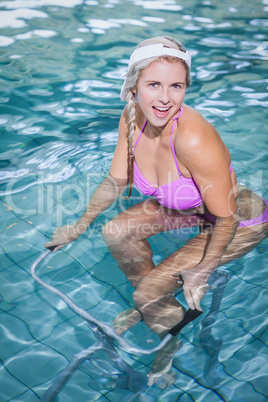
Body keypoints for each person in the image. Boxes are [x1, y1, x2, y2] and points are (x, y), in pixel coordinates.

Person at [45, 36, 268, 387]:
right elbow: (116, 179)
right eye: (153, 85)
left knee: (148, 291)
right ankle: (156, 307)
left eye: (176, 86)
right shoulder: (132, 116)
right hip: (191, 209)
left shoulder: (192, 138)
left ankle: (167, 341)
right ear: (134, 86)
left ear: (186, 88)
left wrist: (202, 270)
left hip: (237, 220)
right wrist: (79, 225)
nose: (165, 98)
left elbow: (224, 217)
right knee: (115, 232)